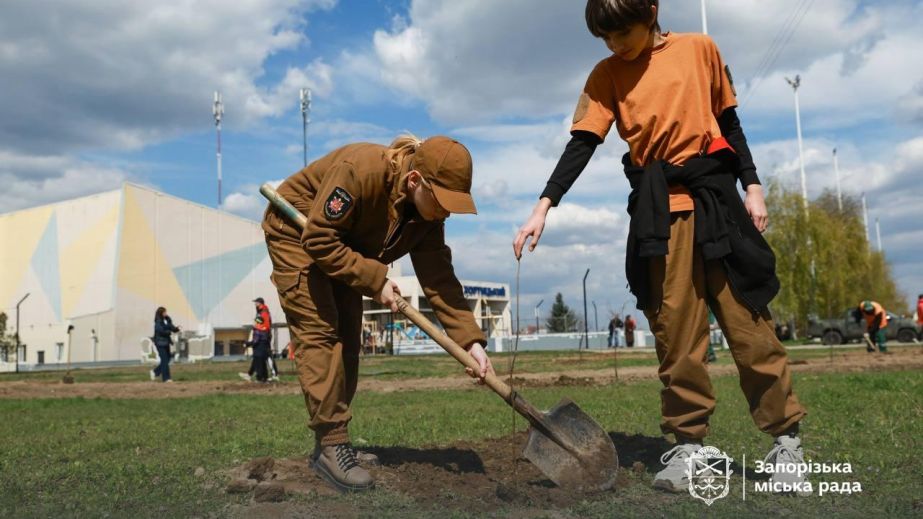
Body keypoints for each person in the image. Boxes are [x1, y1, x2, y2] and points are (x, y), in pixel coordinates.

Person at [512, 0, 807, 494]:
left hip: (718, 204)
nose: (615, 44)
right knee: (676, 337)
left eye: (622, 32)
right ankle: (689, 447)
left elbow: (729, 123)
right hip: (660, 217)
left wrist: (752, 185)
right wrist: (544, 206)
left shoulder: (699, 49)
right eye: (605, 38)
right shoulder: (605, 75)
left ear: (650, 11)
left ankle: (787, 445)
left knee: (750, 329)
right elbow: (582, 144)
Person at [262, 133, 495, 492]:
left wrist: (471, 342)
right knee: (321, 334)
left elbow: (439, 278)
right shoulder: (360, 171)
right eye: (442, 201)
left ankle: (330, 443)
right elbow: (320, 239)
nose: (446, 211)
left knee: (349, 339)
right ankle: (332, 444)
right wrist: (375, 279)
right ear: (415, 180)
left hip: (343, 246)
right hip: (299, 233)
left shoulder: (426, 215)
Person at [240, 298, 278, 382]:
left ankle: (273, 374)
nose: (255, 305)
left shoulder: (264, 312)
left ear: (260, 303)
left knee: (265, 356)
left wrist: (259, 329)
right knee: (258, 357)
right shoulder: (260, 311)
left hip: (264, 337)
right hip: (263, 336)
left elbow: (265, 325)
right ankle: (251, 374)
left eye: (256, 303)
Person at [150, 307, 179, 383]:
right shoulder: (158, 322)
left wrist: (176, 329)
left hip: (166, 342)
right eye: (165, 312)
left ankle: (155, 372)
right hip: (160, 343)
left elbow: (171, 327)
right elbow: (161, 331)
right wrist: (169, 332)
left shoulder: (167, 320)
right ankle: (166, 378)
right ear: (161, 313)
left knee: (167, 358)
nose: (166, 313)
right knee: (164, 360)